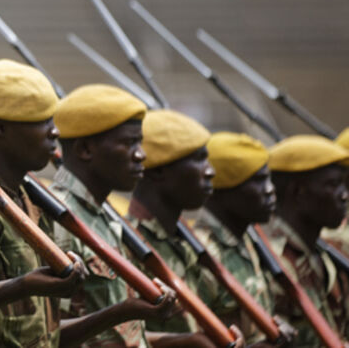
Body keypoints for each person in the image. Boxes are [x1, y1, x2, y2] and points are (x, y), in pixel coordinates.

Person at [0, 59, 88, 346]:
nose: (54, 132)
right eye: (40, 121)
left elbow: (46, 333)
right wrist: (22, 286)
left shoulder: (33, 201)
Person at [48, 84, 183, 347]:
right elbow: (46, 333)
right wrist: (123, 311)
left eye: (139, 143)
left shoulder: (104, 217)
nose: (141, 155)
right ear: (85, 149)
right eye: (129, 143)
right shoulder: (60, 216)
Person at [127, 109, 244, 347]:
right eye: (198, 159)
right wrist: (185, 342)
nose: (210, 171)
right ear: (159, 170)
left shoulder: (187, 243)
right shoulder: (128, 243)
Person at [193, 132, 295, 345]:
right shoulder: (202, 252)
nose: (270, 190)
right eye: (257, 181)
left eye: (268, 179)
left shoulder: (251, 240)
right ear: (223, 188)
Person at [264, 135, 349, 345]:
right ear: (299, 192)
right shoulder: (272, 260)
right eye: (333, 184)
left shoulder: (323, 254)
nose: (344, 195)